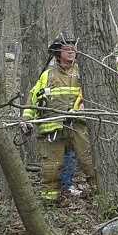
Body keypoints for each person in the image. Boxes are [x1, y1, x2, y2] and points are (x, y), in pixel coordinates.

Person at [21, 34, 96, 202]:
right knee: (51, 167)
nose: (71, 51)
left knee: (89, 161)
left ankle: (101, 196)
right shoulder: (47, 75)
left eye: (73, 48)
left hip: (78, 126)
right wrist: (26, 119)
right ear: (57, 52)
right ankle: (50, 201)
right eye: (66, 48)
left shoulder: (84, 72)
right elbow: (33, 98)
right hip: (52, 128)